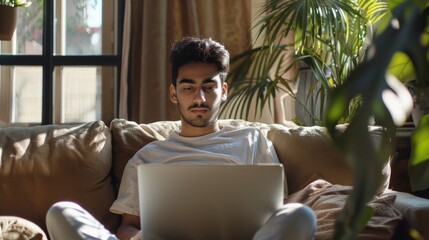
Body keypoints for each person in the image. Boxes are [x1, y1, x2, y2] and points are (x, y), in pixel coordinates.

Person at [46, 37, 316, 240]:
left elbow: (276, 211)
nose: (199, 98)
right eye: (189, 88)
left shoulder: (252, 140)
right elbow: (128, 226)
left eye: (208, 87)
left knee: (300, 214)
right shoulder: (147, 157)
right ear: (174, 93)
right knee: (61, 212)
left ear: (223, 91)